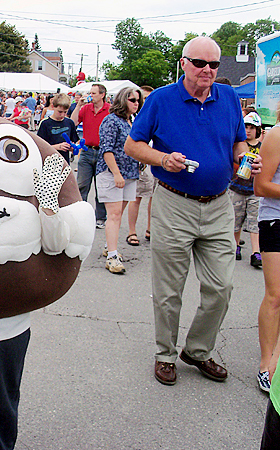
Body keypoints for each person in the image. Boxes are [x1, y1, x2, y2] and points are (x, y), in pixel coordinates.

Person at [125, 36, 254, 386]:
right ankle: (165, 353)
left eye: (214, 64)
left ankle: (196, 351)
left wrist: (242, 157)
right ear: (184, 63)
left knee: (222, 286)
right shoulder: (162, 99)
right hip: (174, 204)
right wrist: (163, 159)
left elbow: (239, 139)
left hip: (218, 205)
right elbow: (133, 144)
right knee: (169, 289)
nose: (208, 71)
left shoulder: (227, 96)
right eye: (200, 63)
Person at [96, 87, 143, 274]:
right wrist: (116, 173)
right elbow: (106, 149)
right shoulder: (111, 121)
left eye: (138, 100)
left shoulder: (130, 121)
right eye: (132, 100)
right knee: (114, 214)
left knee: (117, 214)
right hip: (112, 173)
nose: (136, 103)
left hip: (129, 173)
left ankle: (110, 246)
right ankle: (112, 256)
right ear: (123, 100)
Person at [253, 102, 280, 394]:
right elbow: (261, 186)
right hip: (276, 220)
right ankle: (267, 364)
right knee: (276, 295)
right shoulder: (277, 135)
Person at [71, 84, 111, 229]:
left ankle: (100, 217)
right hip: (87, 150)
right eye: (90, 92)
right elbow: (73, 122)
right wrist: (77, 106)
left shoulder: (109, 110)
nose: (91, 95)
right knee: (82, 184)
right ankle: (80, 216)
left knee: (101, 187)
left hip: (103, 152)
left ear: (102, 94)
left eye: (94, 93)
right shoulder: (85, 108)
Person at [231, 112, 263, 268]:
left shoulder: (262, 147)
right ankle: (235, 245)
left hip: (254, 191)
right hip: (237, 188)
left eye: (252, 128)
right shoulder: (238, 145)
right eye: (246, 127)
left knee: (254, 222)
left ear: (258, 129)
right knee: (236, 219)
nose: (248, 131)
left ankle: (255, 252)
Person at [127, 86, 155, 246]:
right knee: (136, 197)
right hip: (140, 162)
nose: (141, 102)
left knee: (154, 197)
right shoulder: (134, 117)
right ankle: (132, 231)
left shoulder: (155, 114)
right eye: (139, 99)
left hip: (156, 161)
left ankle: (150, 229)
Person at [36, 93, 79, 164]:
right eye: (60, 112)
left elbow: (75, 141)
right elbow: (40, 146)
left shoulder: (69, 122)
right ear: (53, 107)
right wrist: (57, 147)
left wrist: (72, 147)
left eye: (65, 112)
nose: (62, 115)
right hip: (49, 162)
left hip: (64, 162)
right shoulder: (45, 123)